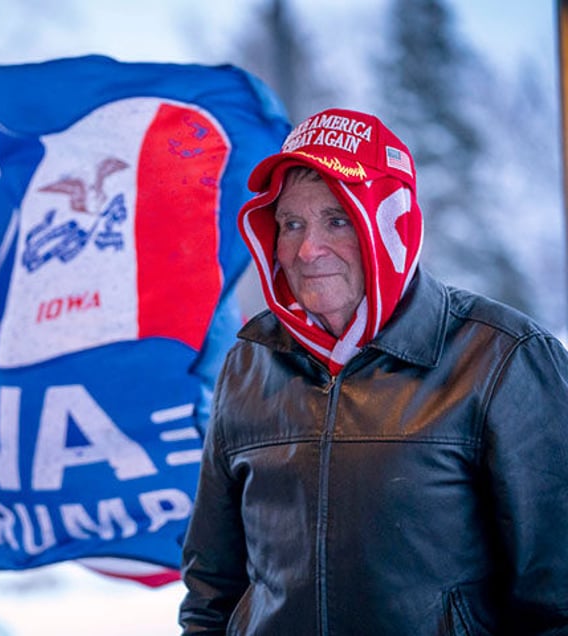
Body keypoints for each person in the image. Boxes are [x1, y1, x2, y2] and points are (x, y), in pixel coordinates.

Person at [178, 107, 568, 635]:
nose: (307, 249)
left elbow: (555, 598)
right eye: (292, 223)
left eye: (338, 219)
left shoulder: (502, 356)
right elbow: (211, 590)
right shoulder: (248, 362)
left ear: (388, 224)